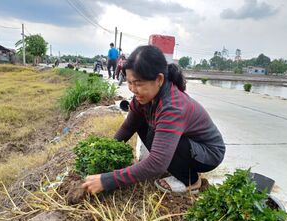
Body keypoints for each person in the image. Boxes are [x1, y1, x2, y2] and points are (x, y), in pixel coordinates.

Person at [82, 45, 225, 194]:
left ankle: (191, 180)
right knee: (141, 123)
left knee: (153, 136)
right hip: (188, 143)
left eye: (138, 83)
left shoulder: (172, 107)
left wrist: (107, 180)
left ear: (159, 79)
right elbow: (128, 127)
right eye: (129, 82)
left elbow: (157, 163)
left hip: (208, 153)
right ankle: (180, 168)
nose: (133, 89)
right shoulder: (144, 97)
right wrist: (105, 150)